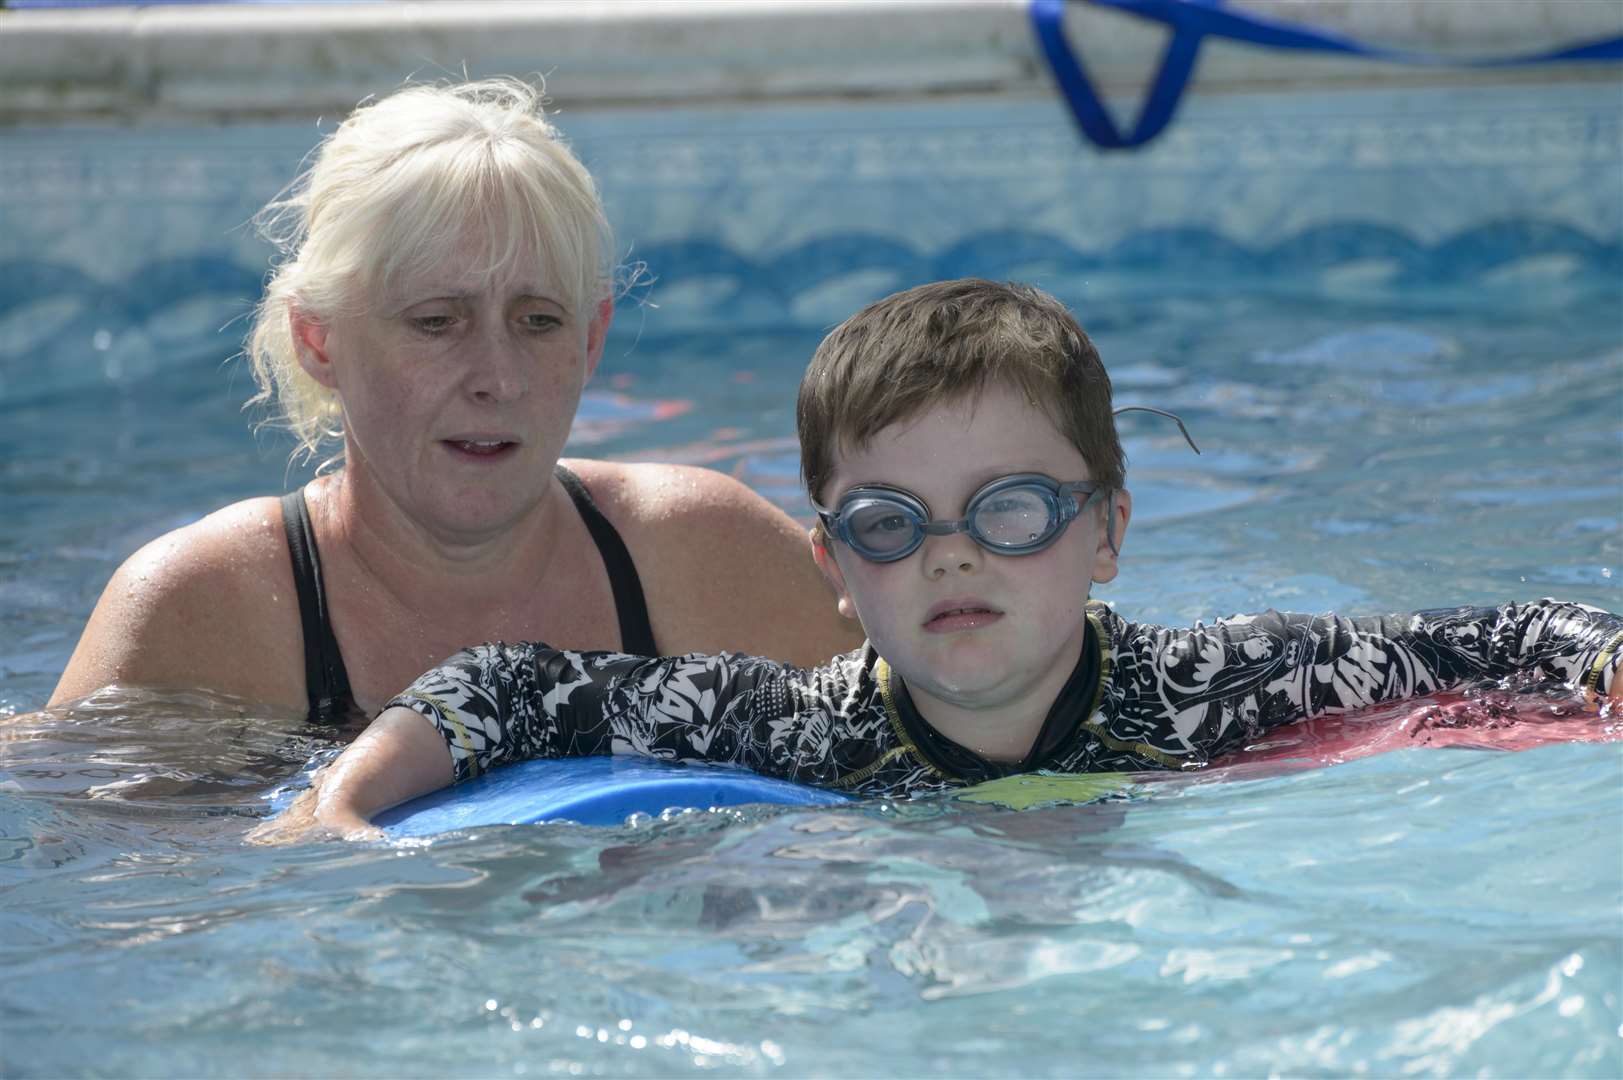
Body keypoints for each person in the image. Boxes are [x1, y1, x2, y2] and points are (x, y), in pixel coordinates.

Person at [254, 279, 1623, 841]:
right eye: (890, 525)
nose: (950, 557)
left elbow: (1506, 643)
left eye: (1010, 511)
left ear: (1104, 534)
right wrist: (343, 809)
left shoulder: (1211, 691)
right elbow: (510, 690)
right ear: (832, 569)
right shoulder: (800, 727)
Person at [47, 79, 859, 725]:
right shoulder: (209, 612)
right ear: (317, 341)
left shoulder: (702, 558)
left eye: (538, 322)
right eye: (436, 322)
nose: (497, 377)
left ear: (591, 341)